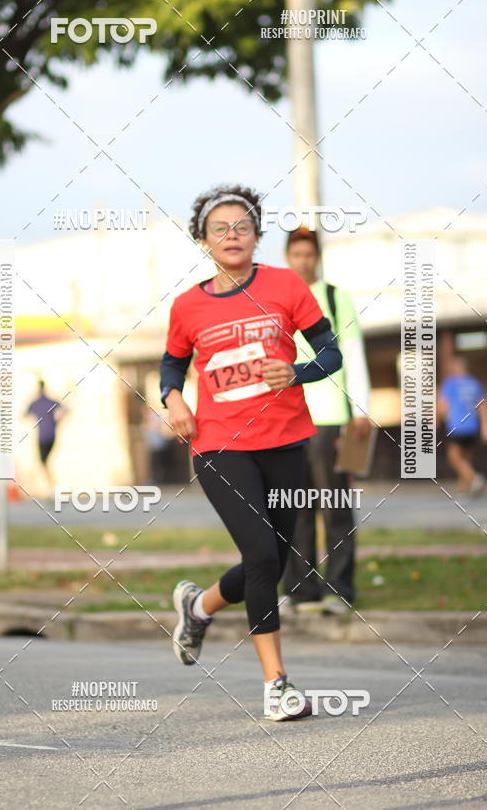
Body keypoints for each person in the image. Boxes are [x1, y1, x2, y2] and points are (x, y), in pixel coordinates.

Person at [160, 185, 342, 721]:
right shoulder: (187, 306)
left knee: (274, 560)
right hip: (219, 446)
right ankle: (277, 684)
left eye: (242, 226)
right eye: (220, 228)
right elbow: (172, 365)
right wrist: (174, 399)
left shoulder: (287, 286)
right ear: (204, 241)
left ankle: (197, 606)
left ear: (257, 236)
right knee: (262, 556)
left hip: (287, 441)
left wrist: (299, 370)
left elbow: (330, 351)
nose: (232, 235)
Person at [283, 227, 371, 616]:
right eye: (296, 254)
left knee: (334, 504)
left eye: (309, 254)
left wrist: (361, 411)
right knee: (294, 507)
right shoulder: (278, 298)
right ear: (287, 256)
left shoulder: (336, 299)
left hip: (331, 417)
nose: (303, 261)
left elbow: (352, 354)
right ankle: (301, 592)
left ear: (317, 256)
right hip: (287, 421)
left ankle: (340, 590)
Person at [438, 355, 487, 495]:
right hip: (472, 425)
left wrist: (437, 418)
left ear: (454, 368)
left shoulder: (450, 383)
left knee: (454, 458)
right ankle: (463, 487)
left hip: (457, 425)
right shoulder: (474, 383)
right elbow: (483, 405)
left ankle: (474, 478)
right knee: (466, 457)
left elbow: (443, 406)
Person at [25, 380, 65, 491]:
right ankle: (51, 485)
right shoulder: (51, 401)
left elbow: (23, 414)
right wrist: (57, 422)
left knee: (43, 461)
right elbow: (65, 409)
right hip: (52, 435)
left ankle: (52, 485)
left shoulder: (35, 402)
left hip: (43, 436)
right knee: (45, 461)